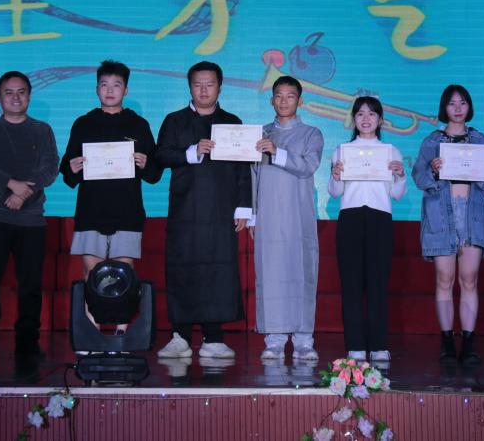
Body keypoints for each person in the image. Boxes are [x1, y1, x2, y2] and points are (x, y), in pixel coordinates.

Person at [155, 61, 251, 360]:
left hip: (221, 210)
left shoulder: (232, 122)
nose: (204, 90)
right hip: (185, 208)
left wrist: (244, 207)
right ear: (190, 87)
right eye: (198, 84)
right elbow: (161, 156)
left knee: (219, 270)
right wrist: (191, 151)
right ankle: (180, 336)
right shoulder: (175, 120)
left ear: (220, 87)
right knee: (182, 268)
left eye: (210, 84)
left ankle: (214, 337)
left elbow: (243, 168)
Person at [60, 60, 161, 333]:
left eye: (116, 85)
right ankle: (90, 334)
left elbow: (154, 173)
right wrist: (71, 167)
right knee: (91, 274)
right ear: (96, 89)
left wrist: (145, 163)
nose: (110, 90)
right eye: (104, 84)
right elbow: (67, 170)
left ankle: (120, 333)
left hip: (127, 210)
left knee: (123, 274)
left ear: (126, 90)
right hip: (91, 210)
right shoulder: (83, 124)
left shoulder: (138, 125)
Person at [0, 71, 59, 359]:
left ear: (29, 96)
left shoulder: (42, 130)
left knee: (30, 285)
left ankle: (28, 341)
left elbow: (50, 169)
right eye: (9, 92)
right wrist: (11, 185)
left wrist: (22, 194)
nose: (15, 97)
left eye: (21, 92)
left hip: (31, 220)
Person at [412, 84, 484, 365]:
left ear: (469, 107)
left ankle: (469, 343)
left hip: (471, 215)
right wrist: (432, 169)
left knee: (469, 278)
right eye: (452, 103)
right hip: (441, 215)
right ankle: (448, 342)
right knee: (444, 278)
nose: (458, 108)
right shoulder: (431, 141)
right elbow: (419, 176)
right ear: (444, 108)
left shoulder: (480, 139)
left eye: (463, 103)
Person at [328, 96, 406, 363]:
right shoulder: (342, 150)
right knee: (351, 284)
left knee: (377, 284)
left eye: (372, 114)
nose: (366, 118)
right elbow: (335, 192)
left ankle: (379, 345)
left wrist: (400, 175)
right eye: (360, 114)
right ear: (353, 119)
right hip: (350, 218)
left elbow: (397, 194)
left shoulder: (391, 151)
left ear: (380, 120)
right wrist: (335, 175)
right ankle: (355, 345)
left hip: (379, 219)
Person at [252, 76, 324, 362]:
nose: (284, 101)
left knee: (302, 272)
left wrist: (276, 152)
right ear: (271, 100)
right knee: (270, 274)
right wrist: (252, 215)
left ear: (300, 100)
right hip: (268, 214)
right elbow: (251, 176)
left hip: (298, 213)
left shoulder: (311, 134)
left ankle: (304, 340)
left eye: (290, 95)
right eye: (278, 96)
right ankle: (274, 339)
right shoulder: (260, 134)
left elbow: (308, 166)